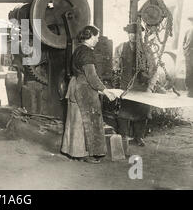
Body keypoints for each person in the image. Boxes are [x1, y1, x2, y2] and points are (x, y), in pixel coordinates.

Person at [61, 25, 117, 164]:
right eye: (96, 37)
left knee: (75, 120)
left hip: (75, 87)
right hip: (84, 90)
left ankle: (72, 151)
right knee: (86, 120)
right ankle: (85, 153)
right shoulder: (87, 53)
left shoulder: (78, 50)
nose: (97, 40)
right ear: (90, 36)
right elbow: (91, 77)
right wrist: (105, 91)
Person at [113, 22, 151, 147]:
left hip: (141, 86)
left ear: (139, 35)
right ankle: (123, 136)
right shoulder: (120, 47)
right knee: (124, 111)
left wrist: (150, 86)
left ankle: (138, 137)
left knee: (141, 112)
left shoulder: (146, 49)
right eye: (130, 33)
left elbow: (153, 68)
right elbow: (115, 65)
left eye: (135, 34)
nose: (132, 36)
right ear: (127, 34)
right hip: (126, 85)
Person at [183, 17, 193, 97]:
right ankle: (189, 91)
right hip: (188, 55)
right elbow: (184, 42)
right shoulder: (188, 31)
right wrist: (185, 51)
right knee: (188, 72)